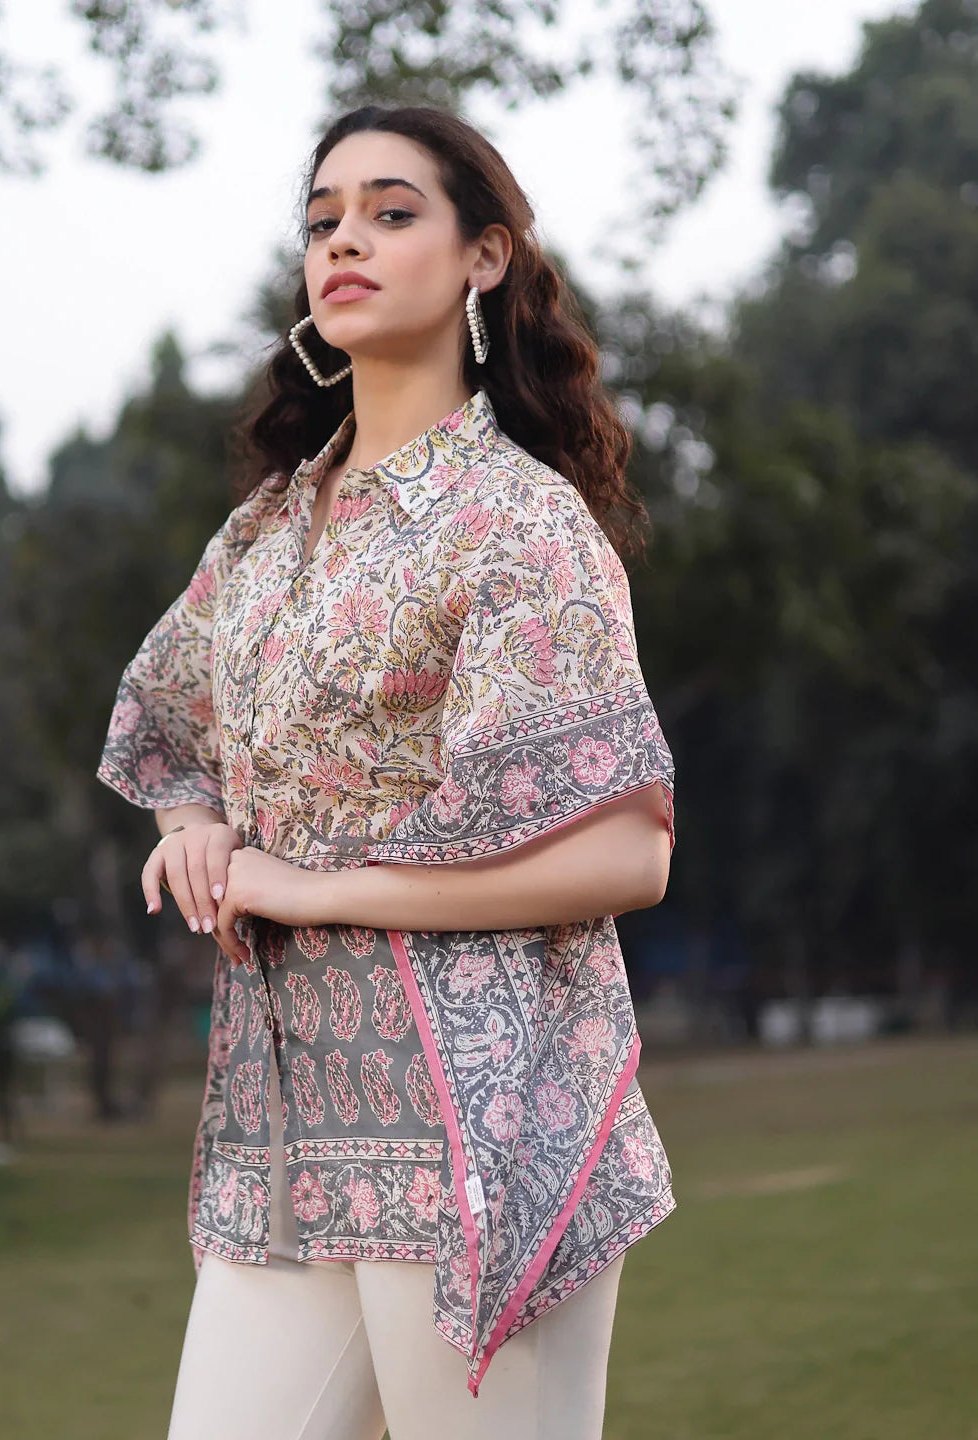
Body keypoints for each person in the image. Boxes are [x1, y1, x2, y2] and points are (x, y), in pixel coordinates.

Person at [97, 102, 677, 1440]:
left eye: (389, 212)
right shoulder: (270, 527)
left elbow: (629, 849)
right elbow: (171, 721)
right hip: (286, 1129)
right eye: (323, 221)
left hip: (485, 1124)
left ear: (484, 256)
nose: (344, 240)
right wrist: (193, 825)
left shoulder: (519, 523)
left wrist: (311, 888)